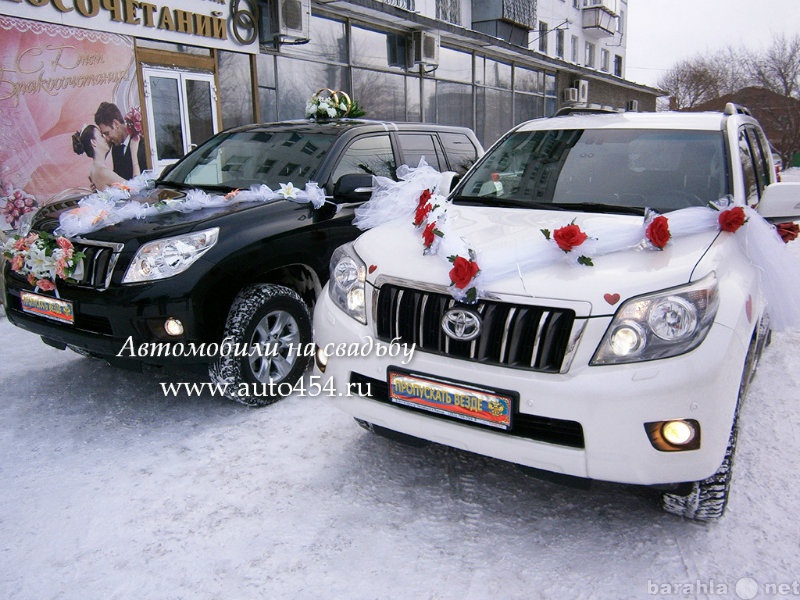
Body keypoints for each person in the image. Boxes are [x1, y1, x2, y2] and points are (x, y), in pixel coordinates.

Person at [94, 102, 145, 180]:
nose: (107, 138)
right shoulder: (115, 148)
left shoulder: (142, 143)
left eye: (107, 133)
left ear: (115, 124)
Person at [71, 124, 126, 191]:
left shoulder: (94, 169)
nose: (106, 138)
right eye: (101, 136)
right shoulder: (103, 172)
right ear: (93, 142)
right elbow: (133, 189)